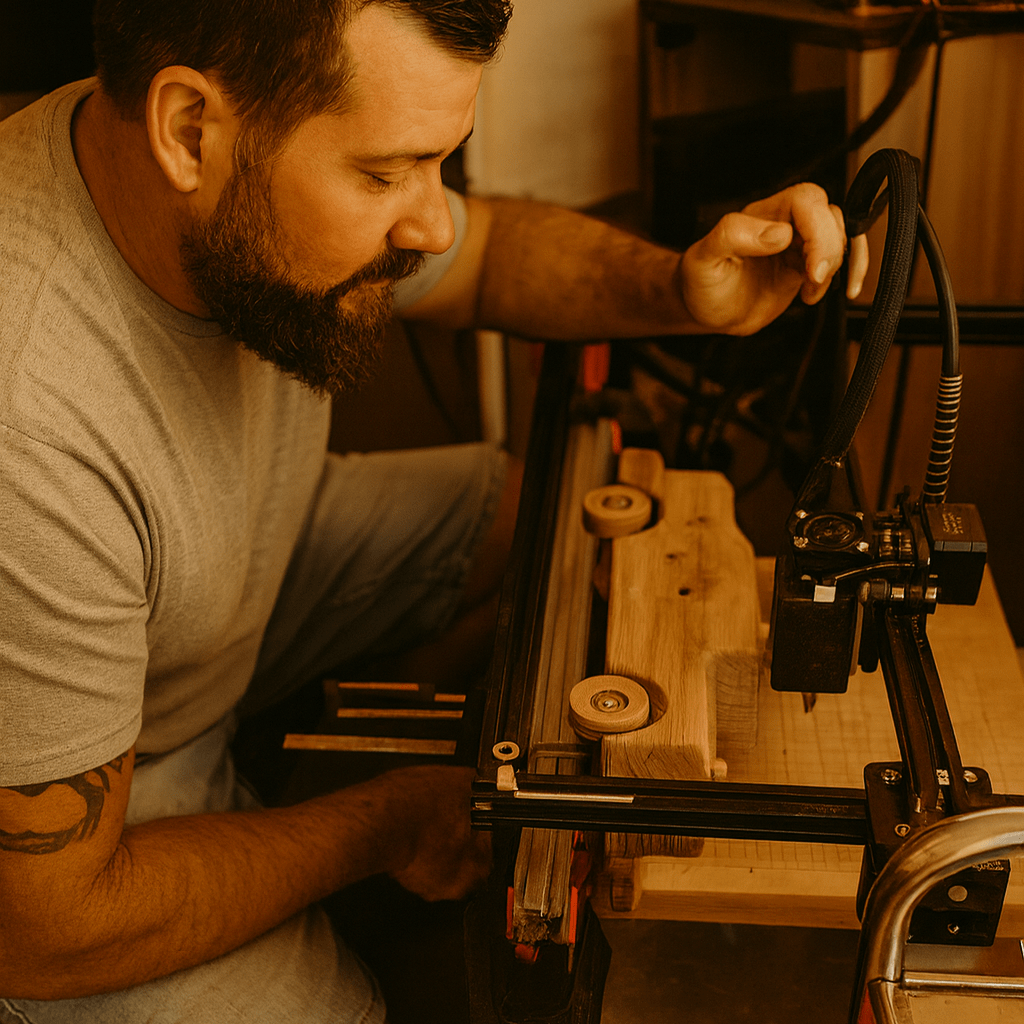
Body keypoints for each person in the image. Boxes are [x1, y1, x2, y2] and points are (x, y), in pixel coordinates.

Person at [0, 0, 869, 1021]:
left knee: (527, 525)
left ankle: (284, 780)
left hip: (187, 615)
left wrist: (681, 291)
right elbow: (46, 929)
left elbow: (487, 254)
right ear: (189, 128)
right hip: (55, 895)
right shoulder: (30, 424)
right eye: (383, 173)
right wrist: (386, 819)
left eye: (436, 162)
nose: (434, 220)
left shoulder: (180, 165)